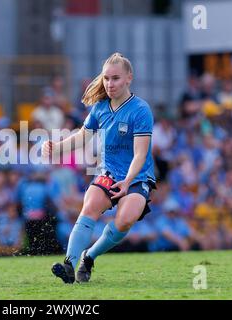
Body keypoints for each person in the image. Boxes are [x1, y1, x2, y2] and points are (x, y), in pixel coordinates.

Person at [42, 53, 156, 283]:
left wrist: (127, 181)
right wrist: (57, 147)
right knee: (90, 206)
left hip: (137, 177)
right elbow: (83, 137)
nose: (110, 84)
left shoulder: (140, 110)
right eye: (106, 78)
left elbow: (140, 154)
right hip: (108, 173)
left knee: (125, 220)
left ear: (128, 79)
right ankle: (69, 265)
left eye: (115, 78)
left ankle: (89, 257)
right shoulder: (99, 108)